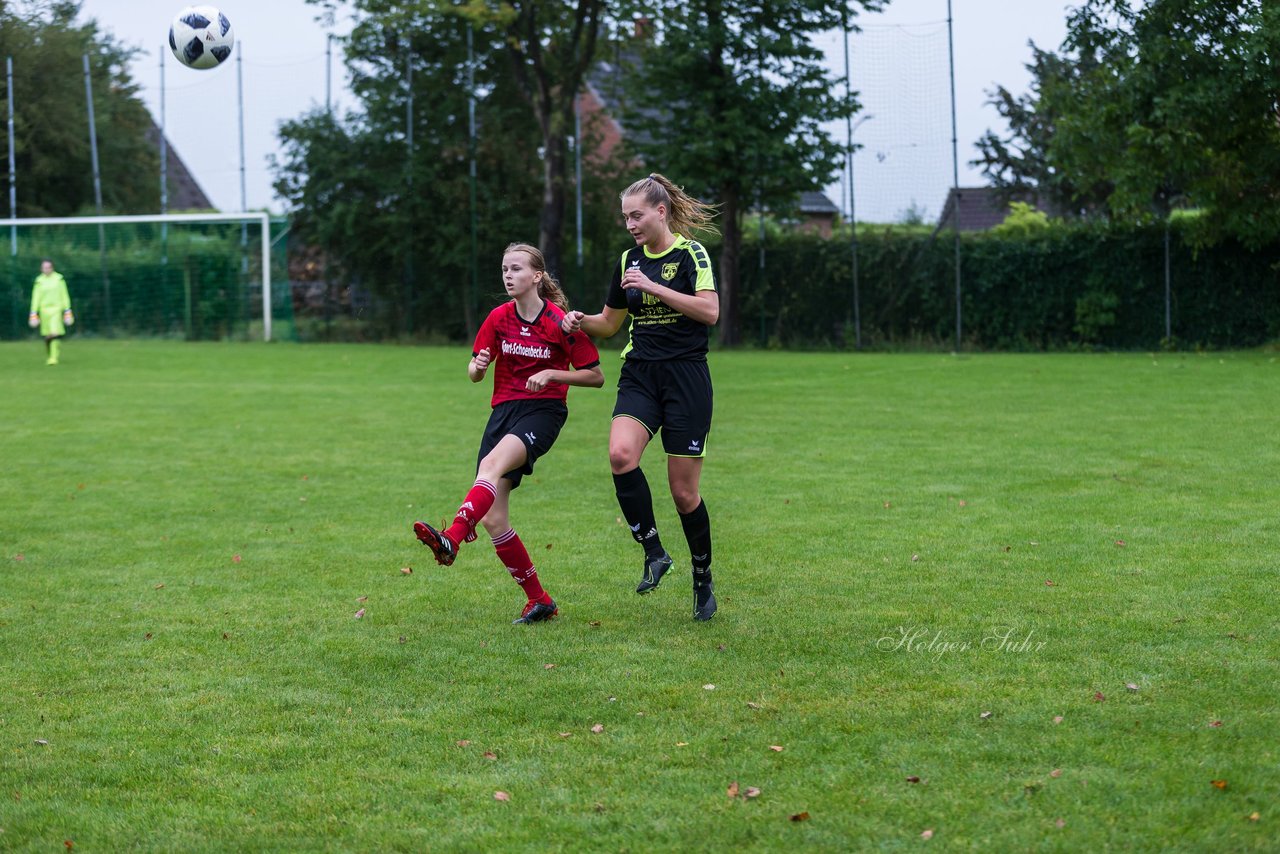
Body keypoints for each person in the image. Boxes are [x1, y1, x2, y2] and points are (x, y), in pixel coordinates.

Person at [414, 243, 604, 624]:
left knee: (491, 464)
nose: (507, 275)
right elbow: (473, 371)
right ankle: (540, 600)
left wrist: (553, 373)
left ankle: (451, 537)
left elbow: (595, 376)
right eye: (504, 269)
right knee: (495, 519)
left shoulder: (558, 321)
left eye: (516, 269)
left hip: (543, 412)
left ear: (536, 276)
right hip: (503, 414)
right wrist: (479, 367)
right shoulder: (498, 317)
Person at [561, 173, 720, 621]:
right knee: (620, 454)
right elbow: (610, 324)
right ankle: (654, 551)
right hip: (640, 374)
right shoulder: (628, 259)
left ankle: (703, 578)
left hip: (686, 378)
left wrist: (654, 288)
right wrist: (580, 320)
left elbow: (710, 311)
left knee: (684, 494)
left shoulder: (691, 253)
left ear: (661, 212)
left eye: (636, 215)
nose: (629, 224)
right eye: (625, 216)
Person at [29, 259, 74, 365]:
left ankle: (53, 358)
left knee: (55, 332)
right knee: (47, 335)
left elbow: (64, 295)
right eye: (44, 267)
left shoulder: (59, 279)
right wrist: (33, 313)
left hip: (56, 310)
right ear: (41, 269)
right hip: (44, 311)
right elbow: (36, 298)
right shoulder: (39, 281)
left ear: (52, 268)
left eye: (48, 267)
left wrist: (67, 310)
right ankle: (51, 355)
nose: (47, 269)